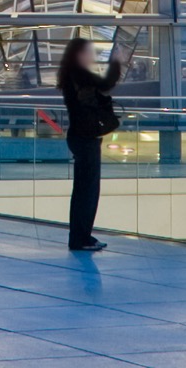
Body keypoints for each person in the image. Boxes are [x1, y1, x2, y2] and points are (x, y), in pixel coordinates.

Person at [57, 35, 125, 253]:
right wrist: (117, 62)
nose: (92, 57)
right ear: (79, 54)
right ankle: (81, 238)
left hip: (79, 137)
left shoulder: (71, 75)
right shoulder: (79, 74)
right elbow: (106, 84)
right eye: (89, 52)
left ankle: (81, 236)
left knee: (83, 191)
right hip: (86, 138)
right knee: (88, 191)